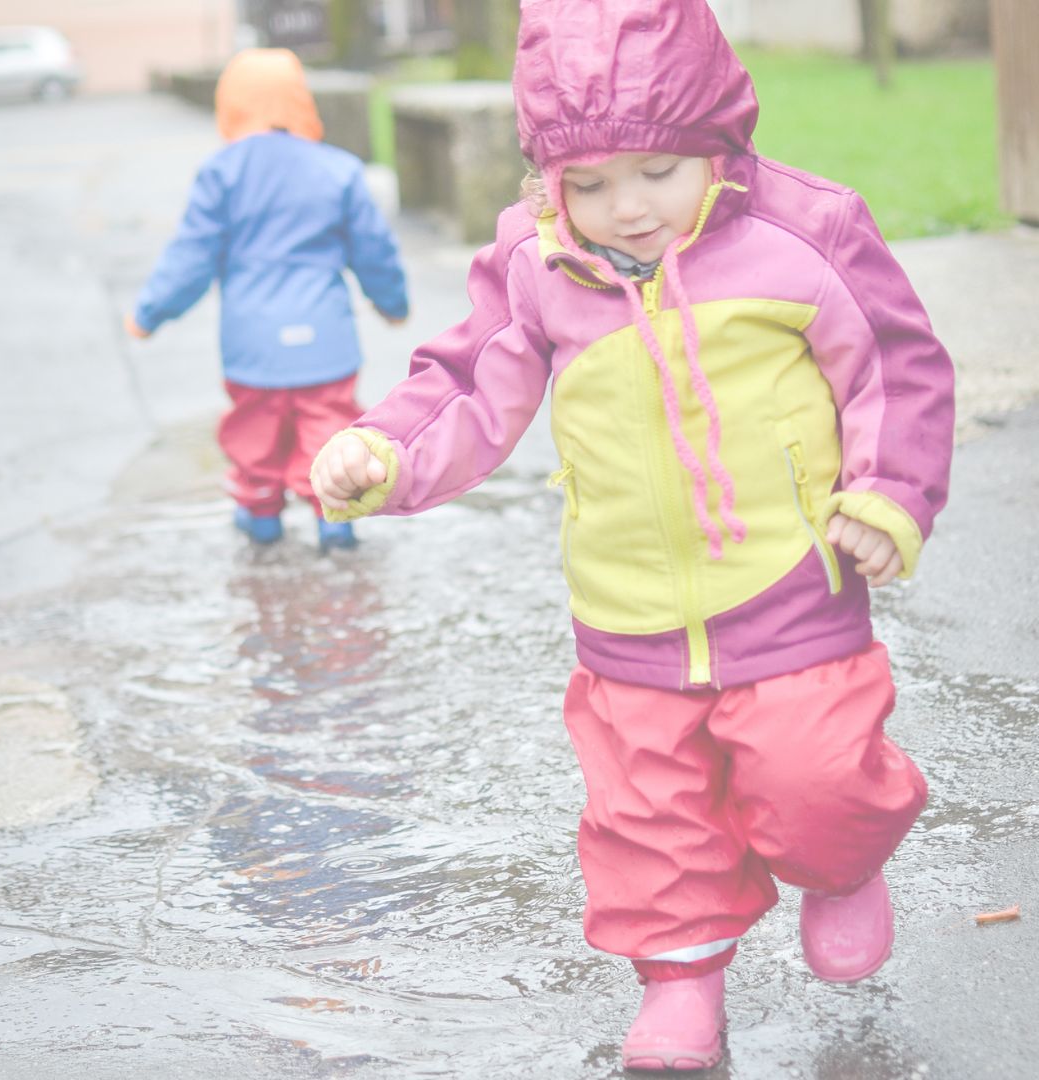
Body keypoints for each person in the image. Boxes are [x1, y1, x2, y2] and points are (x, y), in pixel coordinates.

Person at [310, 1, 954, 1071]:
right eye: (590, 184)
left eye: (658, 171)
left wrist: (887, 491)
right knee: (648, 816)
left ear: (718, 140)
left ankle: (842, 865)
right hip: (627, 608)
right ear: (547, 179)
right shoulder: (540, 261)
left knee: (819, 779)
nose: (627, 209)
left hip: (788, 581)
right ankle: (682, 980)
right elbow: (468, 385)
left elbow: (896, 362)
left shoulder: (803, 232)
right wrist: (381, 455)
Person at [125, 48, 408, 553]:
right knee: (328, 425)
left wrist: (148, 314)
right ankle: (335, 520)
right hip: (325, 338)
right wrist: (392, 304)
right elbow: (374, 251)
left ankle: (260, 518)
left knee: (255, 431)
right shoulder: (339, 170)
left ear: (229, 106)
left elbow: (190, 256)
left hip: (252, 342)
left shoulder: (222, 174)